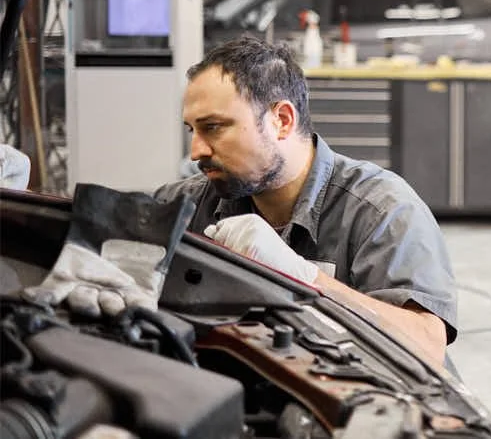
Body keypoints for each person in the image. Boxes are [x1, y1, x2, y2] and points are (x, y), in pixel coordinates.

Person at [155, 36, 455, 368]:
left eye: (213, 128)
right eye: (191, 131)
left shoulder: (382, 210)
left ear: (281, 120)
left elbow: (427, 346)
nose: (196, 151)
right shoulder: (188, 203)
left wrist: (306, 279)